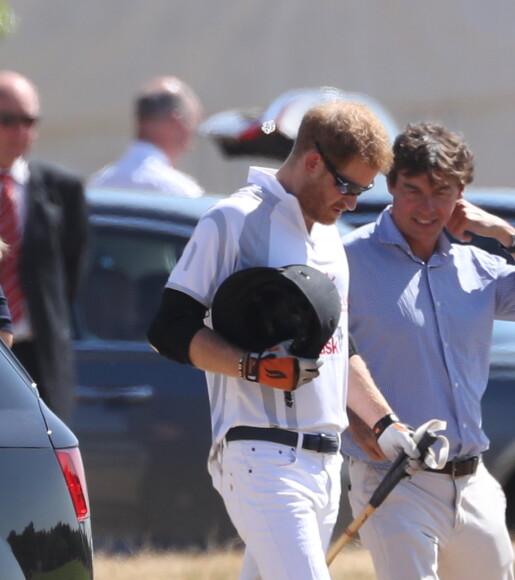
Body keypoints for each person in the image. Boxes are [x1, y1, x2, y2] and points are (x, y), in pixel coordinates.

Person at [148, 101, 424, 580]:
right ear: (313, 162)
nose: (353, 201)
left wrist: (385, 425)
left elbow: (340, 347)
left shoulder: (332, 238)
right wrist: (252, 368)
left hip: (323, 464)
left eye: (363, 190)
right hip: (260, 455)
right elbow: (169, 328)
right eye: (348, 185)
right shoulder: (232, 220)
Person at [342, 122, 515, 580]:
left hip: (473, 483)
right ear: (391, 185)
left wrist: (506, 233)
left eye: (442, 192)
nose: (427, 208)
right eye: (412, 190)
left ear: (462, 194)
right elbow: (321, 355)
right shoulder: (348, 260)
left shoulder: (477, 264)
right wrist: (358, 419)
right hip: (393, 480)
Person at [0, 70, 89, 423]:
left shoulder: (61, 189)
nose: (21, 132)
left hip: (38, 357)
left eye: (30, 120)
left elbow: (69, 276)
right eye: (7, 120)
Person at [88, 75, 204, 197]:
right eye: (192, 123)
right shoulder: (181, 191)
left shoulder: (98, 184)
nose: (191, 137)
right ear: (175, 122)